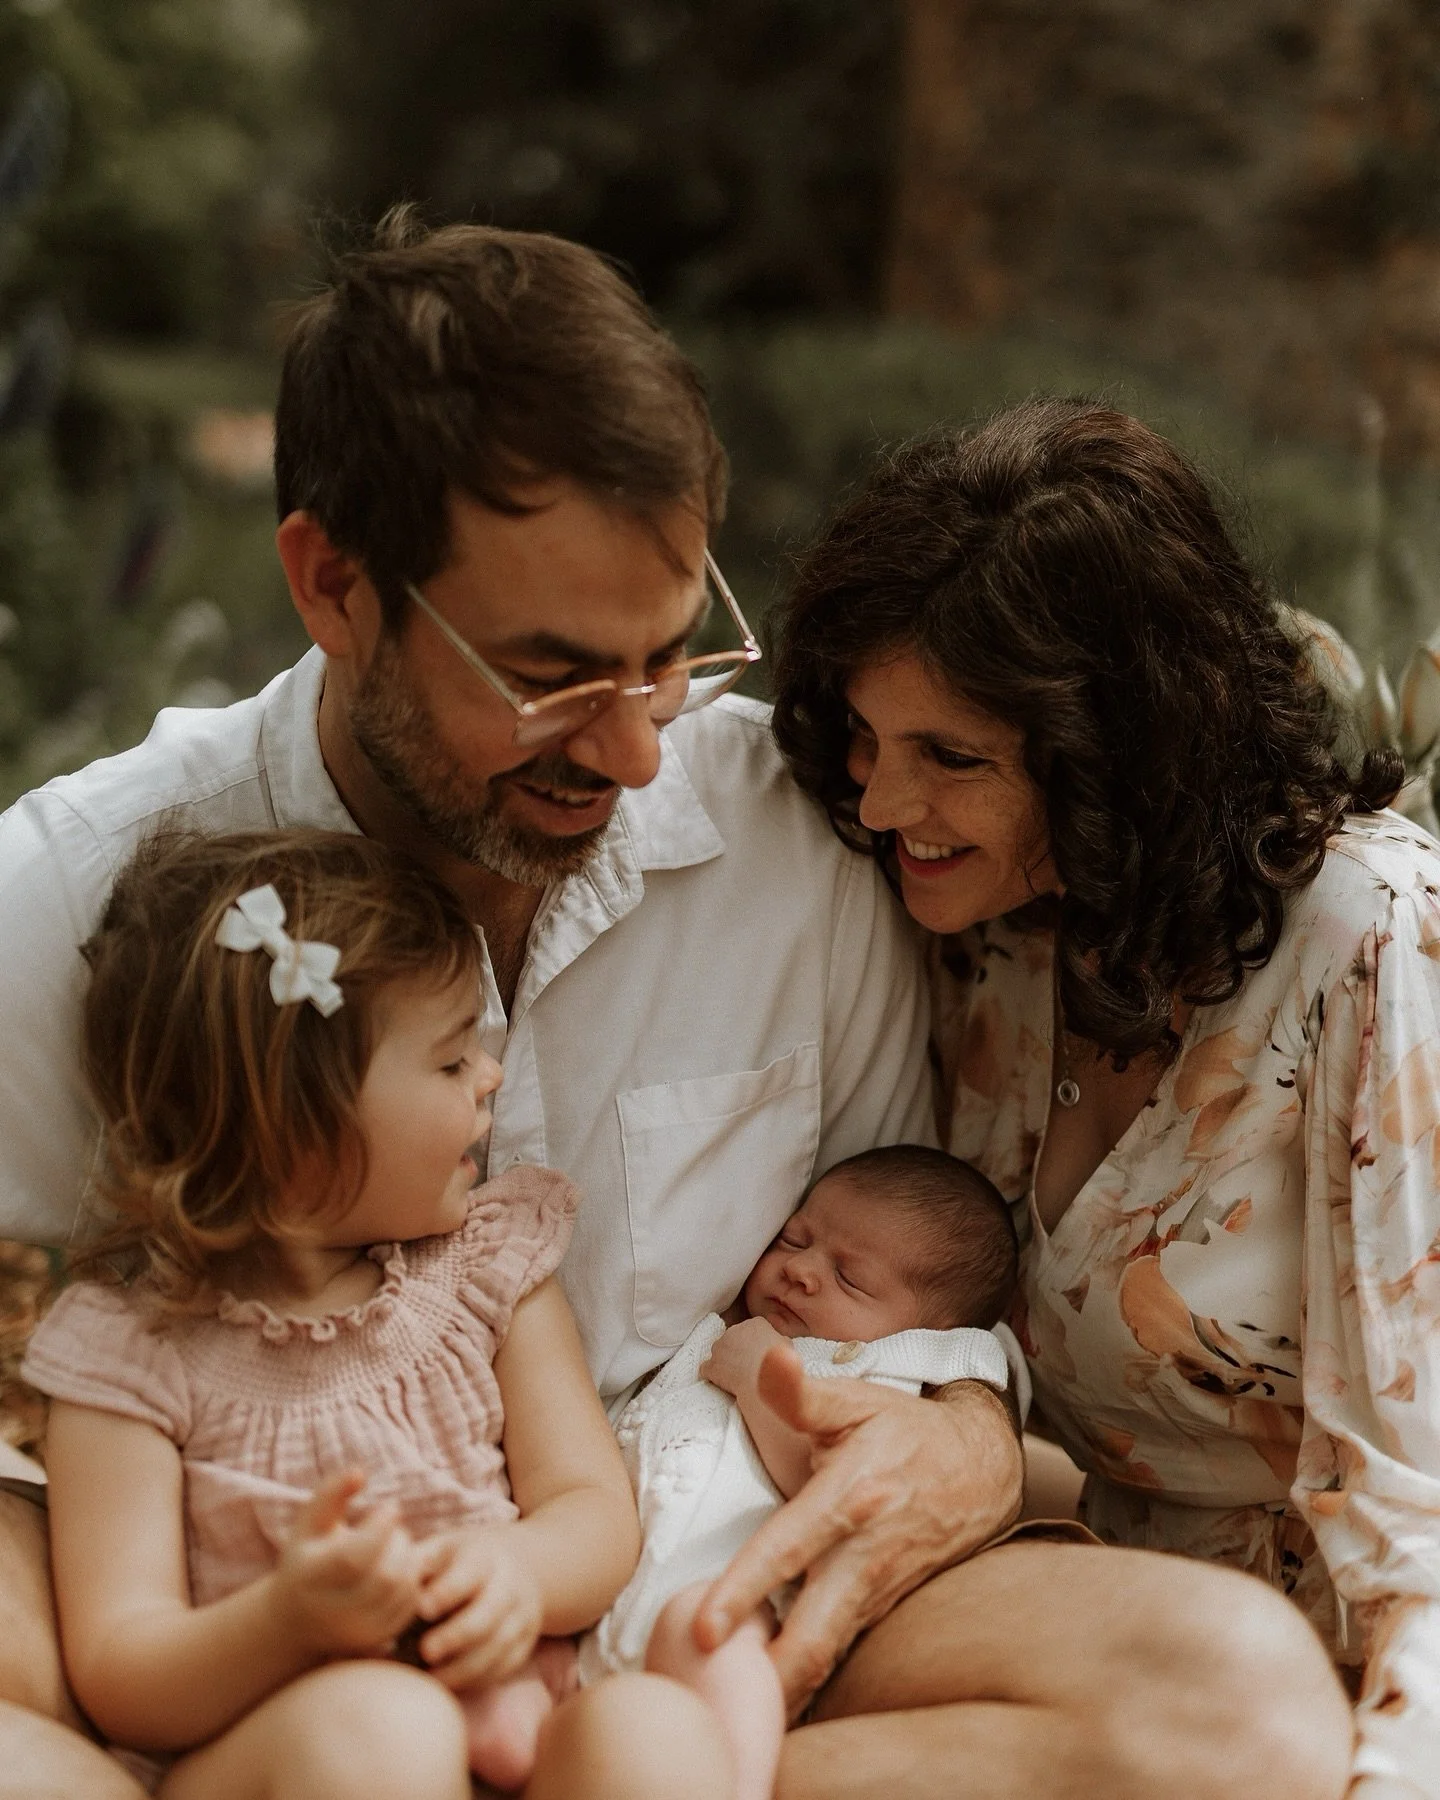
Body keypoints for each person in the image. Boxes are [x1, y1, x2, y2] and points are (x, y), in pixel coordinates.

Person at [0, 213, 1347, 1800]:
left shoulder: (796, 840)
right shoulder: (66, 898)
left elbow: (904, 1287)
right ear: (333, 585)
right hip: (258, 1694)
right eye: (553, 673)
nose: (639, 750)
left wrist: (965, 1430)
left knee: (1234, 1708)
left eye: (668, 656)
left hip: (700, 1626)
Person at [768, 395, 1439, 1799]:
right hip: (1091, 1638)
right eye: (872, 739)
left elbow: (1418, 1506)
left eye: (951, 757)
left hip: (1326, 1693)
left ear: (1116, 754)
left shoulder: (1369, 936)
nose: (881, 804)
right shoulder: (989, 935)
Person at [20, 827, 743, 1800]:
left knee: (649, 1725)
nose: (490, 1076)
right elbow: (123, 1673)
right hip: (295, 1760)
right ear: (298, 1129)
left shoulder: (487, 1270)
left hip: (515, 1728)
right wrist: (286, 1620)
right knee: (383, 1723)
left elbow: (591, 1510)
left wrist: (518, 1570)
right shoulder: (132, 1355)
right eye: (450, 1062)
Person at [584, 1145, 1020, 1800]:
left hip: (728, 1604)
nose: (801, 1270)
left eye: (850, 1278)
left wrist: (760, 1383)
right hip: (603, 1587)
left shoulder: (883, 1377)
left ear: (931, 1332)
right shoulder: (718, 1327)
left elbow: (829, 1483)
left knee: (711, 1638)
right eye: (794, 1238)